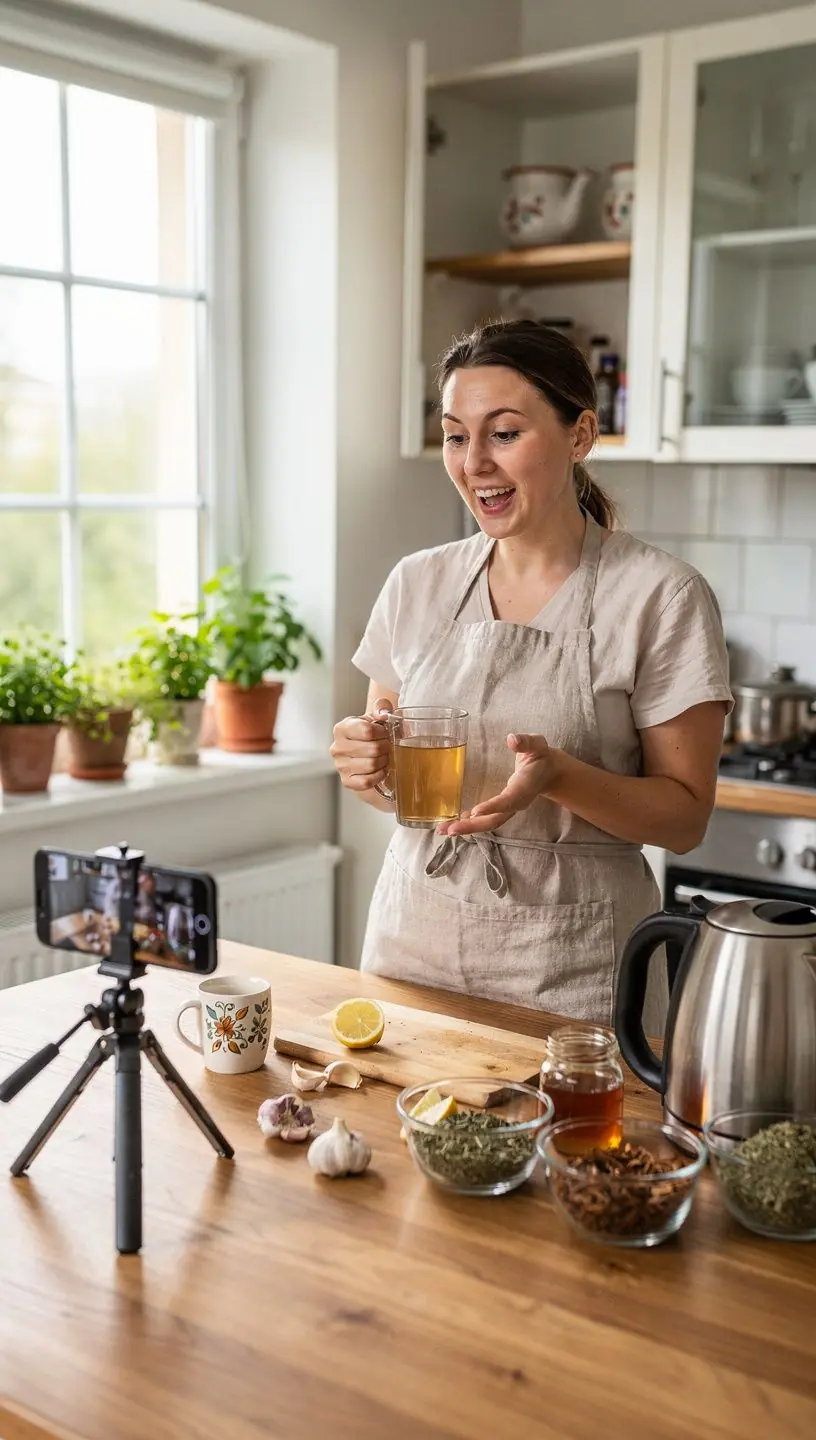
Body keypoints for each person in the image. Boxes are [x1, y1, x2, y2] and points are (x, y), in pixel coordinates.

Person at [331, 320, 732, 1026]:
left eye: (504, 433)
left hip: (573, 965)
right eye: (457, 436)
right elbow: (397, 781)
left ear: (580, 436)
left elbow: (685, 818)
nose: (474, 462)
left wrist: (562, 778)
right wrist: (368, 763)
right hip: (413, 940)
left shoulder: (659, 595)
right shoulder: (417, 583)